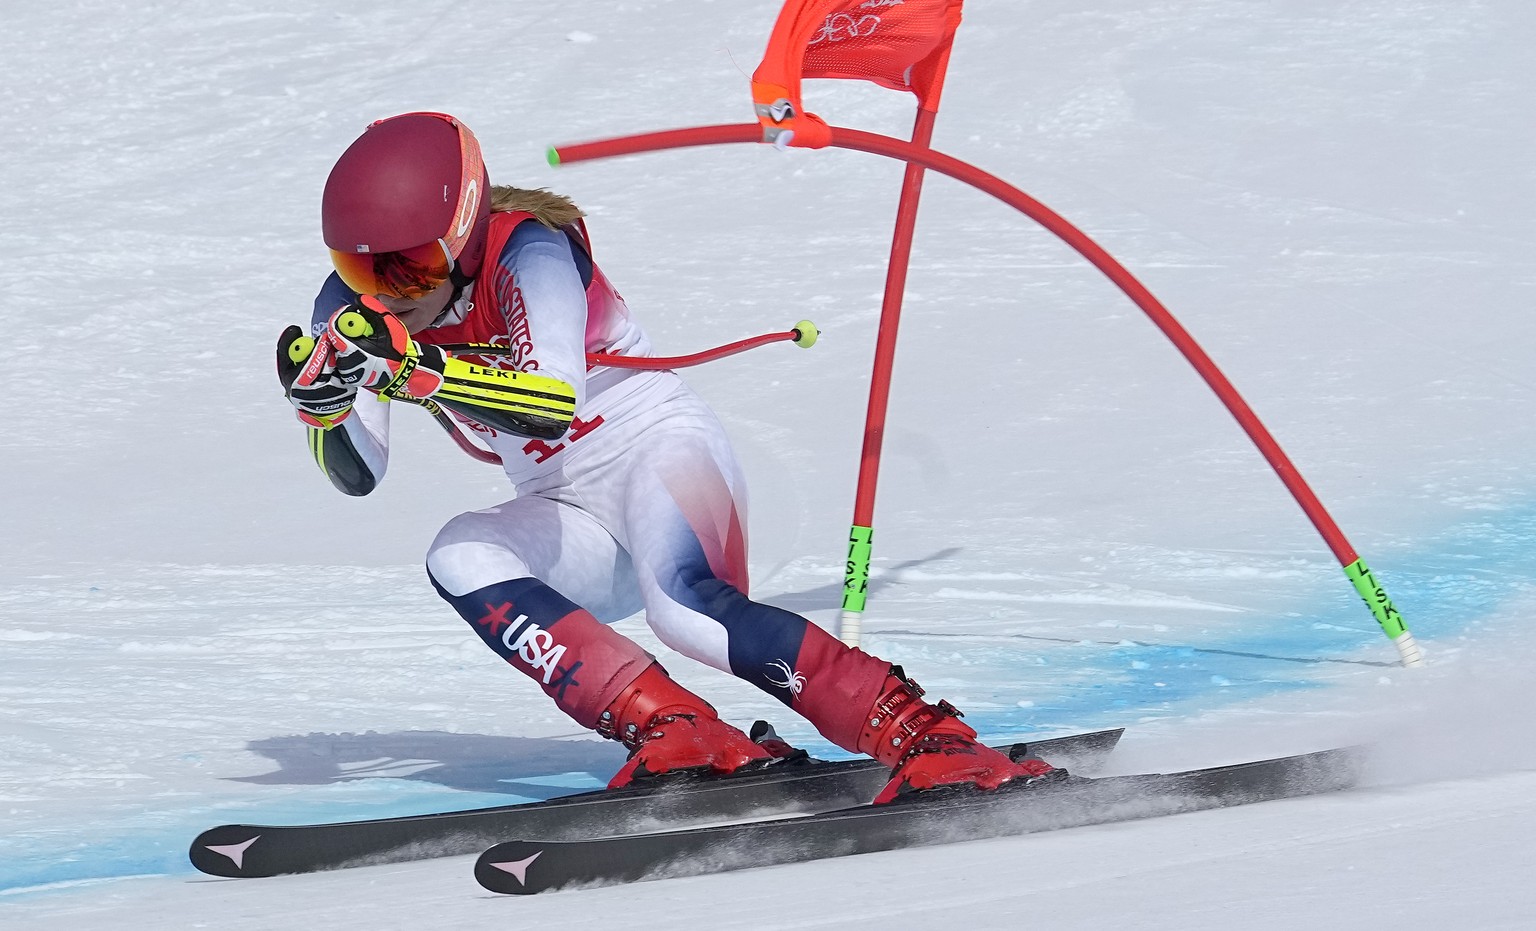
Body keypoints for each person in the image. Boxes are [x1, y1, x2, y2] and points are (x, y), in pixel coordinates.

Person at [276, 111, 1061, 802]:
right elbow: (360, 473)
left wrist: (415, 371)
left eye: (410, 266)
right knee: (457, 552)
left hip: (659, 452)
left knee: (685, 610)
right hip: (565, 502)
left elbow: (552, 398)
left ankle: (931, 738)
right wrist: (325, 407)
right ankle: (678, 728)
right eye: (358, 269)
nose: (387, 291)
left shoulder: (531, 253)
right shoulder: (354, 309)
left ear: (466, 227)